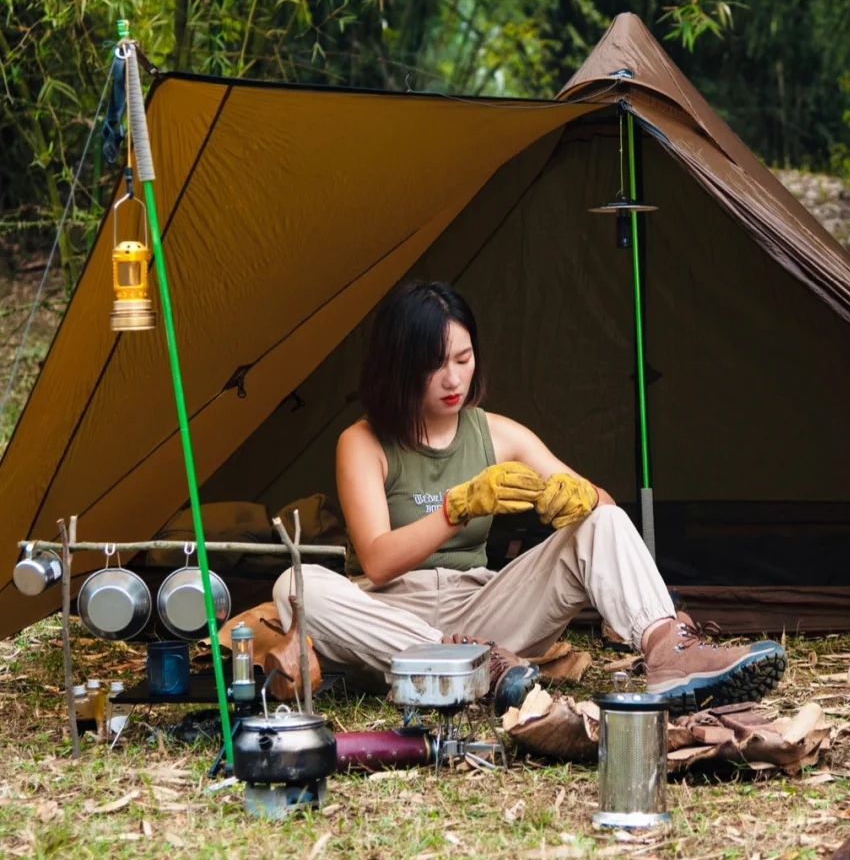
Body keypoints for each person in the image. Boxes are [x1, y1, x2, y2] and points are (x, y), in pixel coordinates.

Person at [274, 280, 786, 710]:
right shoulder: (362, 442)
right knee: (295, 586)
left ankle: (669, 653)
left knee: (601, 521)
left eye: (464, 357)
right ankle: (473, 669)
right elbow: (378, 561)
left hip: (485, 609)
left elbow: (604, 513)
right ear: (398, 366)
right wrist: (460, 507)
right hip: (390, 620)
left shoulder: (498, 434)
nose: (453, 379)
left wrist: (576, 497)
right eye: (434, 364)